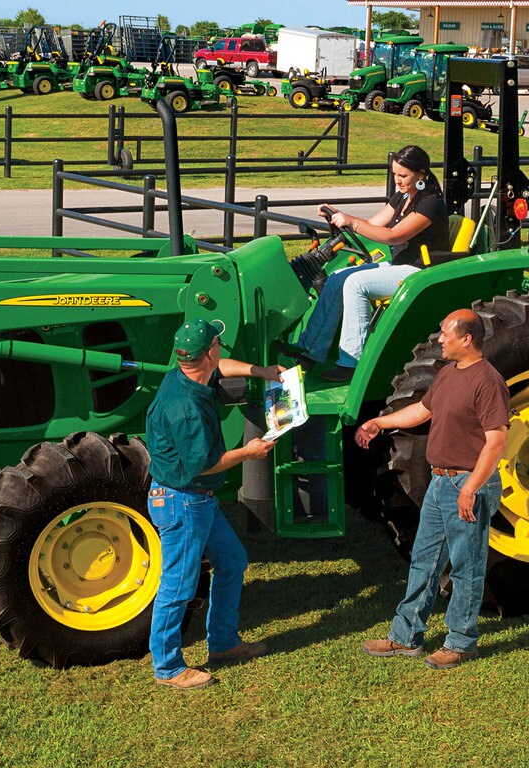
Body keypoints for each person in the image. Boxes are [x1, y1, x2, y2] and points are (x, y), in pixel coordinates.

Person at [356, 309, 510, 670]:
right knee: (424, 562)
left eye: (445, 334)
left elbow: (497, 441)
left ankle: (461, 642)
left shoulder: (488, 382)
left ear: (467, 339)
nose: (440, 339)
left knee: (466, 567)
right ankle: (405, 637)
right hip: (441, 483)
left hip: (468, 484)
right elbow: (421, 412)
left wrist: (471, 487)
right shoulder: (447, 375)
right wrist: (380, 422)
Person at [145, 318, 283, 689]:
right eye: (218, 344)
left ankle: (222, 644)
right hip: (183, 502)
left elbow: (221, 366)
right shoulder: (186, 409)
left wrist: (261, 371)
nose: (221, 349)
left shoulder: (189, 372)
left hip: (197, 500)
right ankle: (168, 667)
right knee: (178, 584)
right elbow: (204, 464)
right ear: (208, 351)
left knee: (233, 561)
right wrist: (249, 452)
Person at [293, 145, 450, 382]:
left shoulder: (431, 203)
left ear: (421, 174)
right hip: (399, 265)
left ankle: (351, 362)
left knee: (356, 283)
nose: (397, 180)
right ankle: (309, 352)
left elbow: (394, 235)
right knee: (338, 277)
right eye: (395, 174)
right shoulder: (404, 197)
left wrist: (353, 222)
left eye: (403, 176)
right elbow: (374, 225)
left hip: (420, 271)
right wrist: (340, 216)